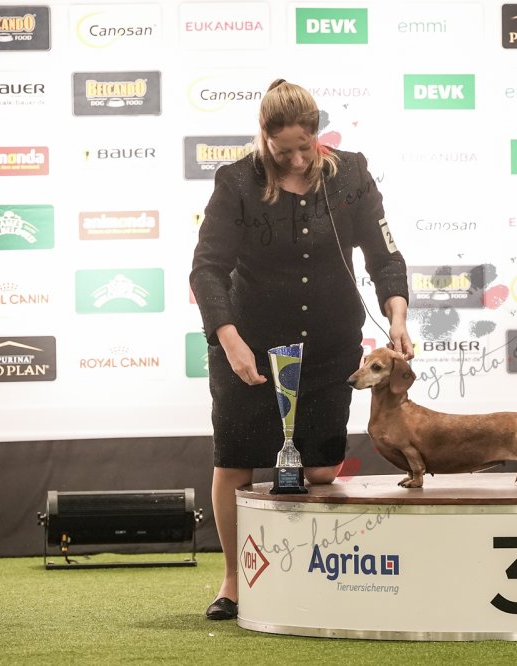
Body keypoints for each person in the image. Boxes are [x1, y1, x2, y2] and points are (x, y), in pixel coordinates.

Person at [190, 79, 414, 621]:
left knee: (319, 470)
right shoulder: (236, 182)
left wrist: (397, 316)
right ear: (263, 138)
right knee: (237, 461)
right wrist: (230, 340)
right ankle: (235, 578)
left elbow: (384, 255)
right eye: (283, 150)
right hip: (250, 344)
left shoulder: (351, 174)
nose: (296, 160)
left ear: (317, 133)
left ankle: (300, 573)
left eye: (304, 147)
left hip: (330, 343)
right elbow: (208, 269)